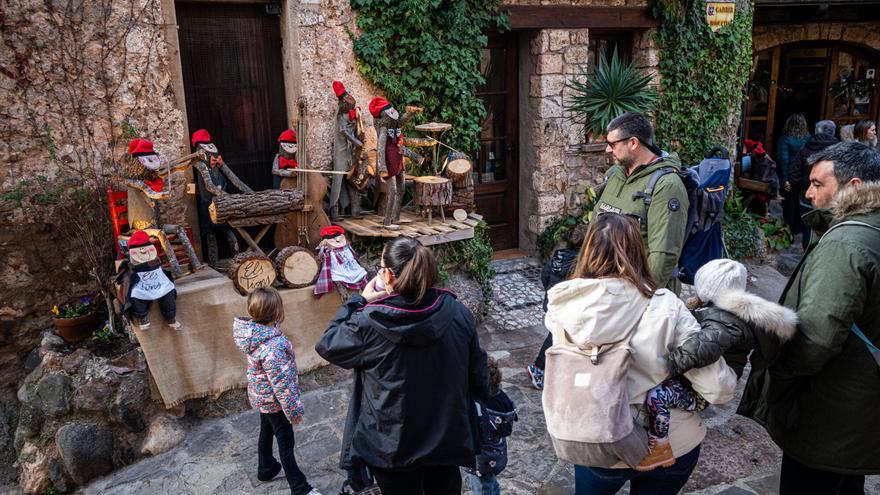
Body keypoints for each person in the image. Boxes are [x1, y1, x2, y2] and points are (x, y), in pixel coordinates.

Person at [544, 213, 737, 495]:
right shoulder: (665, 307)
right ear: (639, 252)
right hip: (669, 442)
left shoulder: (562, 307)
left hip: (595, 436)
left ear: (585, 251)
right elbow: (718, 388)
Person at [739, 142, 880, 495]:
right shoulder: (870, 228)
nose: (808, 192)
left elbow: (815, 340)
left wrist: (776, 376)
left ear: (854, 186)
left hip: (830, 413)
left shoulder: (846, 243)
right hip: (859, 409)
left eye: (818, 184)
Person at [315, 237, 491, 495]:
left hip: (392, 443)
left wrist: (359, 300)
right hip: (446, 436)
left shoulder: (368, 322)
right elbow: (479, 374)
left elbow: (327, 343)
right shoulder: (457, 312)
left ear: (387, 275)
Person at [638, 259, 797, 471]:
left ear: (706, 287)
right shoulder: (722, 313)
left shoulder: (725, 320)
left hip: (702, 390)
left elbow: (703, 348)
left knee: (657, 395)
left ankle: (660, 447)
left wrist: (668, 366)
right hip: (703, 380)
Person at [232, 287, 322, 495]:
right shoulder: (273, 346)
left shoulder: (253, 333)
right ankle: (300, 488)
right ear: (278, 314)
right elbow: (282, 385)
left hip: (262, 397)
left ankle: (266, 468)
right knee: (286, 443)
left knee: (266, 430)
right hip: (275, 402)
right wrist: (293, 412)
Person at [594, 112, 689, 294]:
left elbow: (664, 254)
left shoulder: (667, 185)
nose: (607, 149)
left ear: (633, 143)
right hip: (609, 288)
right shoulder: (615, 174)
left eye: (612, 144)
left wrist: (640, 297)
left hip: (639, 293)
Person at [525, 222, 589, 390]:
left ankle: (557, 368)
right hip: (565, 307)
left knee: (559, 335)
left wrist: (549, 292)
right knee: (556, 336)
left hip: (552, 302)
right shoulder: (580, 263)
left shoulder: (558, 256)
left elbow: (545, 275)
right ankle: (538, 368)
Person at [464, 357, 517, 495]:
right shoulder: (502, 398)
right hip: (495, 454)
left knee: (482, 489)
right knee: (491, 483)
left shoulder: (479, 405)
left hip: (480, 460)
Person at [789, 119, 839, 249]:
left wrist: (797, 190)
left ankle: (807, 258)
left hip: (806, 196)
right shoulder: (840, 151)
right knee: (829, 229)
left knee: (808, 229)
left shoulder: (805, 148)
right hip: (832, 199)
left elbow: (794, 173)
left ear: (816, 132)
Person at [775, 114, 810, 237]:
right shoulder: (808, 138)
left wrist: (784, 179)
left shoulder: (785, 139)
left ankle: (789, 229)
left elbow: (783, 159)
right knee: (801, 201)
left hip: (789, 174)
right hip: (803, 175)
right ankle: (799, 228)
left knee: (789, 203)